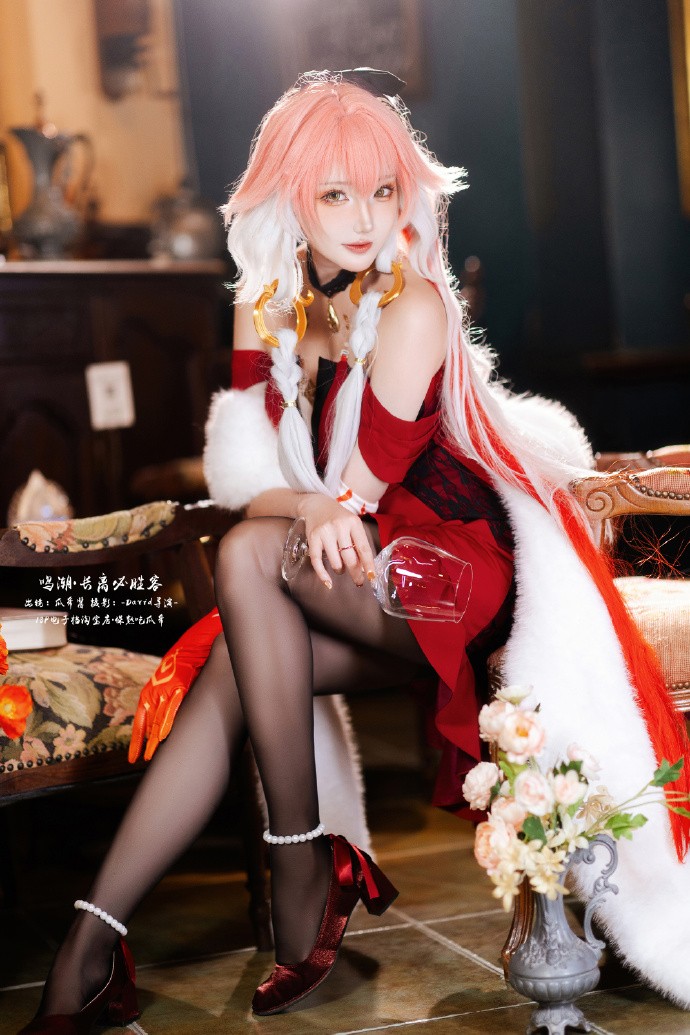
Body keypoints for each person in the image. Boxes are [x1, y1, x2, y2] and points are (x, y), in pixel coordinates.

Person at [18, 70, 690, 1033]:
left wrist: (309, 506)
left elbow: (355, 498)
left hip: (456, 573)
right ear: (291, 196)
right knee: (235, 660)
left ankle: (299, 865)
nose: (366, 217)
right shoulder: (272, 305)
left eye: (382, 190)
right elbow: (254, 479)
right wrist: (304, 500)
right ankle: (91, 942)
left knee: (249, 558)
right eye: (336, 193)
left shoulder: (415, 306)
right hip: (360, 569)